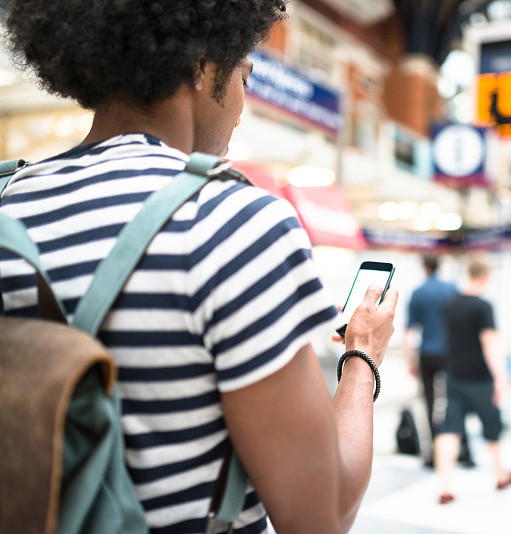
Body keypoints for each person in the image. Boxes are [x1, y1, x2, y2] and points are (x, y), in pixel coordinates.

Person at [0, 2, 397, 533]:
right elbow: (322, 515)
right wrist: (361, 356)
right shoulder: (234, 222)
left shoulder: (7, 201)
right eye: (244, 75)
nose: (240, 106)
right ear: (203, 65)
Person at [434, 259, 511, 504]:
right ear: (484, 276)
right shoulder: (483, 307)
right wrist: (500, 377)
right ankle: (500, 473)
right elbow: (490, 343)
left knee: (450, 427)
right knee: (491, 426)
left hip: (454, 375)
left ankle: (444, 487)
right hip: (480, 378)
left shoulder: (450, 305)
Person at [404, 254, 473, 468]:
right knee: (455, 400)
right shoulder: (451, 289)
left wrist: (411, 361)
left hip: (427, 354)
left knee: (429, 403)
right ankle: (463, 451)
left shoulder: (418, 293)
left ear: (425, 267)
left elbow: (409, 331)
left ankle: (434, 453)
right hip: (450, 354)